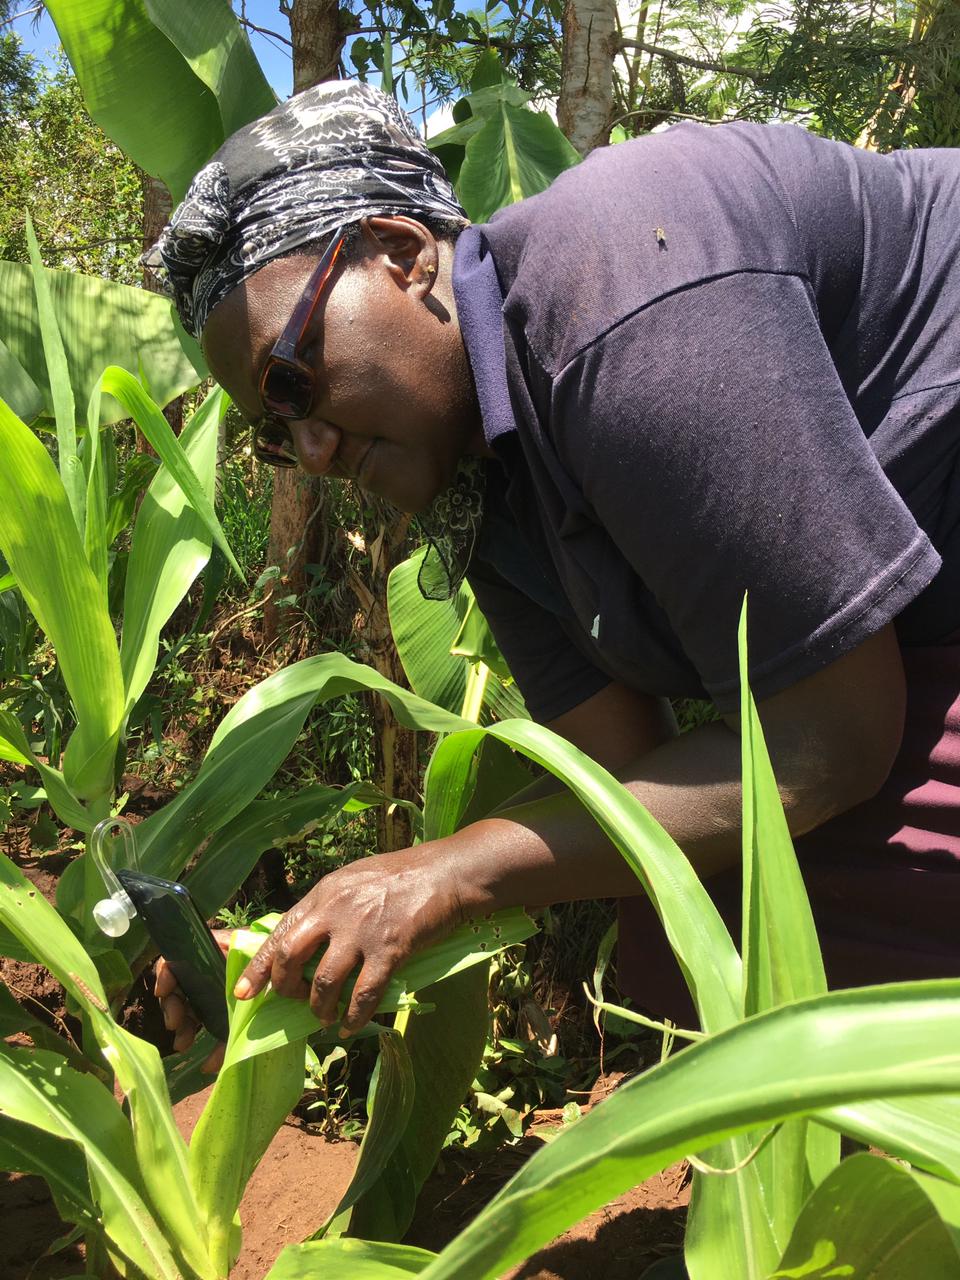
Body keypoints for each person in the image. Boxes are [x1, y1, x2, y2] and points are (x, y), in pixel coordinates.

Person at [152, 80, 960, 1063]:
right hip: (902, 644)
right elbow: (627, 786)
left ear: (403, 255)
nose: (312, 451)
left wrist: (450, 873)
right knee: (680, 935)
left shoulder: (622, 299)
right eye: (274, 434)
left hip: (890, 660)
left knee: (896, 894)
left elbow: (829, 744)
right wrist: (301, 949)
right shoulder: (482, 478)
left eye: (292, 380)